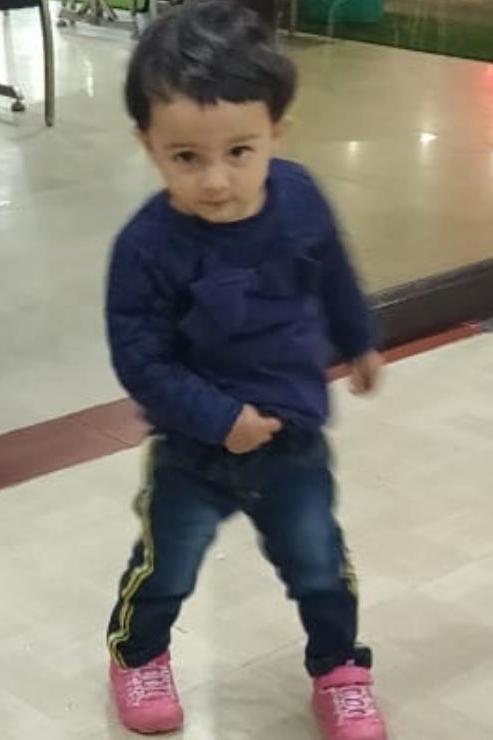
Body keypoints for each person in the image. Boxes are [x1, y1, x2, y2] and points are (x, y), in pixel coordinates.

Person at [105, 2, 387, 738]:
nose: (216, 181)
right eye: (185, 157)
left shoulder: (300, 198)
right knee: (167, 564)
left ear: (276, 132)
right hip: (192, 452)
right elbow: (140, 359)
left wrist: (357, 339)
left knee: (320, 562)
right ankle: (138, 655)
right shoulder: (145, 248)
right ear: (147, 143)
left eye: (239, 151)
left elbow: (333, 272)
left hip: (293, 439)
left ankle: (339, 668)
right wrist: (219, 419)